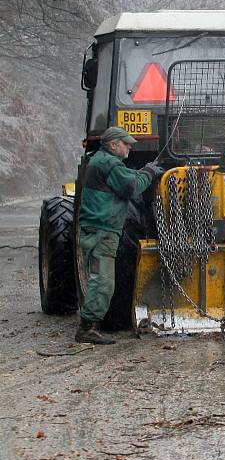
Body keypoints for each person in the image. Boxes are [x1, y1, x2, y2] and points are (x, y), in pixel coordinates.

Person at [76, 127, 165, 344]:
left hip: (98, 230)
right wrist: (150, 172)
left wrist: (142, 171)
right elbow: (132, 187)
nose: (130, 146)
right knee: (103, 282)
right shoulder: (109, 164)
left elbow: (127, 179)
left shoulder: (102, 161)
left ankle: (89, 326)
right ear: (113, 144)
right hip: (101, 232)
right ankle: (87, 328)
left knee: (102, 279)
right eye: (126, 143)